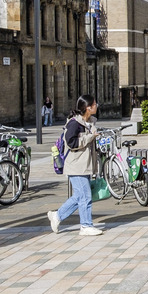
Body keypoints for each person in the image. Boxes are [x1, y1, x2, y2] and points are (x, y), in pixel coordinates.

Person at [48, 94, 103, 236]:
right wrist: (90, 137)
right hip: (75, 165)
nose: (97, 106)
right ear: (88, 108)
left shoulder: (89, 122)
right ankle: (85, 225)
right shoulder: (74, 124)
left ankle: (57, 216)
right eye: (94, 104)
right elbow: (71, 143)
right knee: (85, 196)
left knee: (79, 196)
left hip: (84, 164)